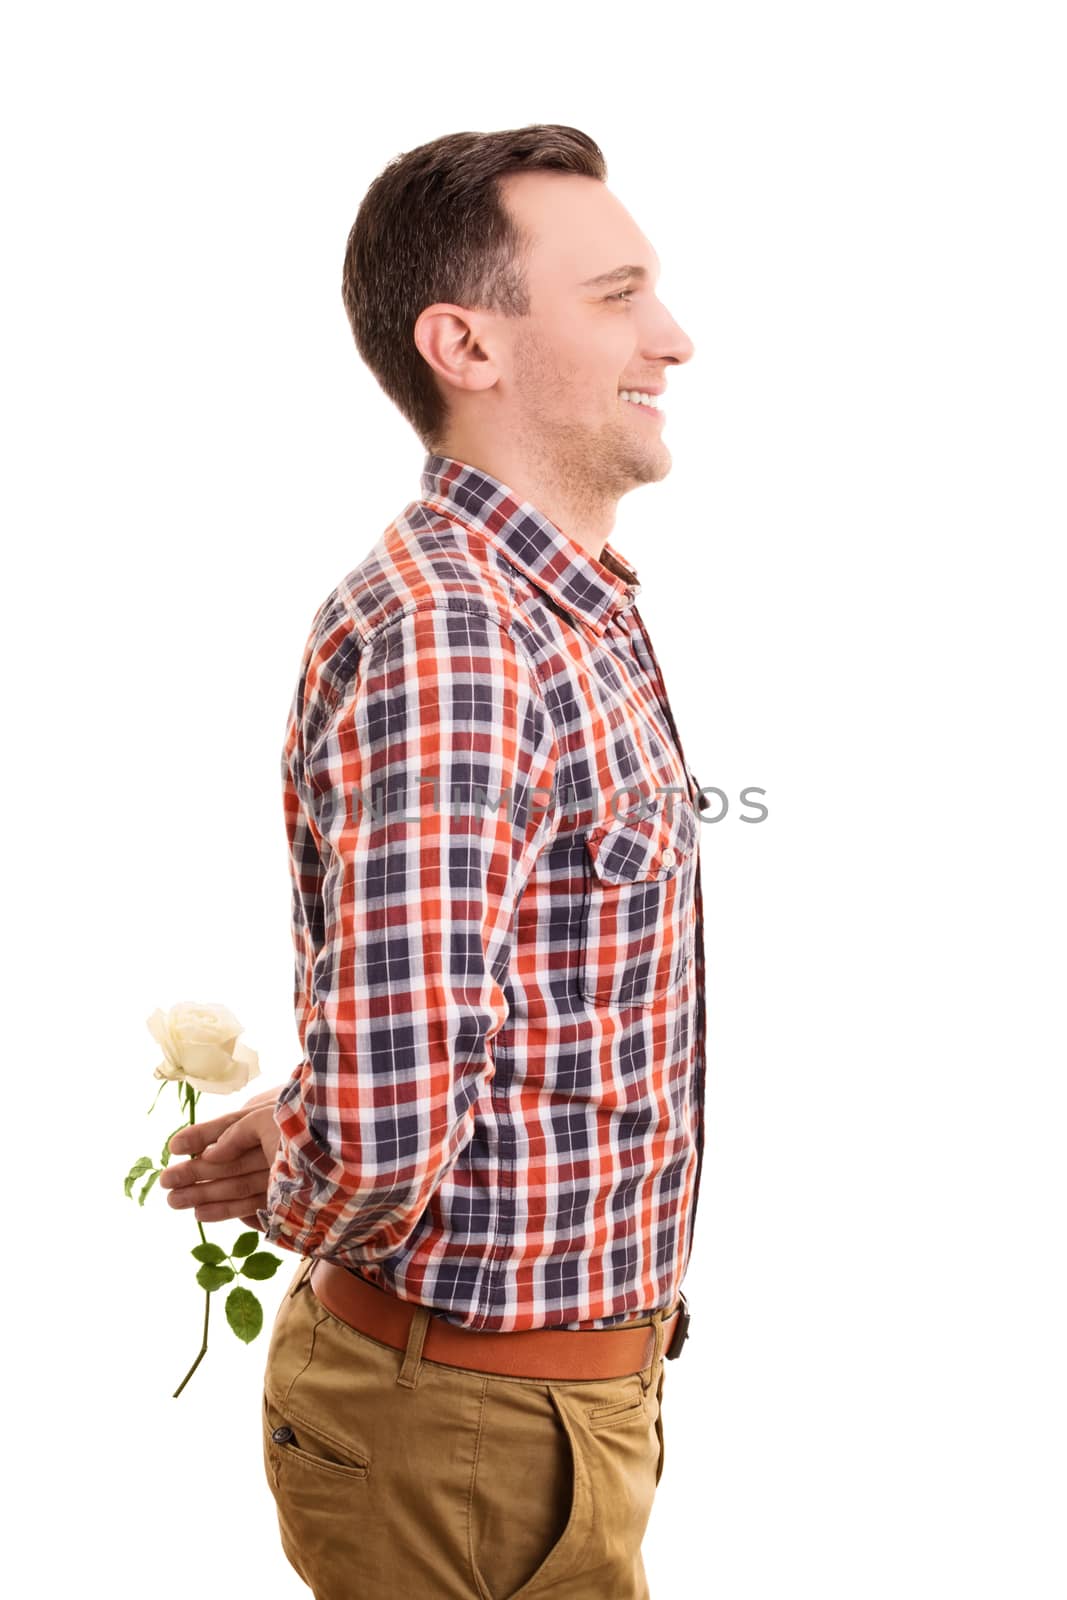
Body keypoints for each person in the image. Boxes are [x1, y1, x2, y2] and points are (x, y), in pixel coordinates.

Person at [160, 123, 704, 1600]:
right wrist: (333, 1158)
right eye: (617, 296)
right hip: (471, 1428)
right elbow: (392, 1145)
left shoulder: (561, 612)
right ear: (465, 343)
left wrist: (303, 1123)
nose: (676, 336)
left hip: (534, 1419)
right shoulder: (462, 637)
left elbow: (509, 1003)